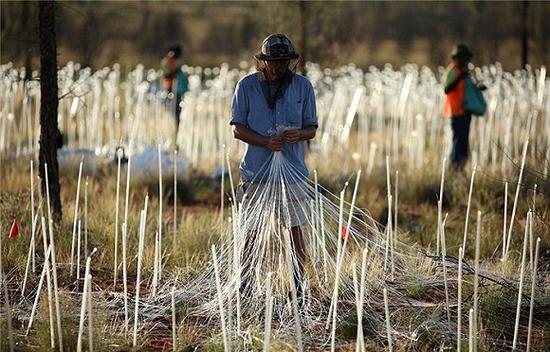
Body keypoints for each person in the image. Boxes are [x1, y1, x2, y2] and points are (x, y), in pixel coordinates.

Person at [230, 33, 318, 301]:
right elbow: (237, 128)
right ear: (263, 61)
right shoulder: (246, 86)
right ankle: (245, 287)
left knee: (294, 230)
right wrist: (265, 142)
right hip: (257, 173)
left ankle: (298, 287)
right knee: (252, 232)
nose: (279, 67)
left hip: (292, 174)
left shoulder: (303, 87)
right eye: (274, 62)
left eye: (284, 61)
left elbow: (311, 129)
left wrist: (298, 135)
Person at [443, 44, 474, 170]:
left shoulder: (465, 72)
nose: (464, 61)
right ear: (456, 58)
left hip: (465, 112)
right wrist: (460, 78)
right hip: (455, 113)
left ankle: (460, 167)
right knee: (458, 141)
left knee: (463, 142)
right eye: (462, 58)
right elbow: (446, 89)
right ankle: (455, 167)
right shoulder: (452, 72)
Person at [161, 45, 189, 142]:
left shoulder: (175, 63)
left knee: (177, 115)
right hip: (172, 91)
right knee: (175, 115)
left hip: (178, 91)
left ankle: (176, 137)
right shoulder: (169, 61)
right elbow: (167, 73)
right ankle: (173, 137)